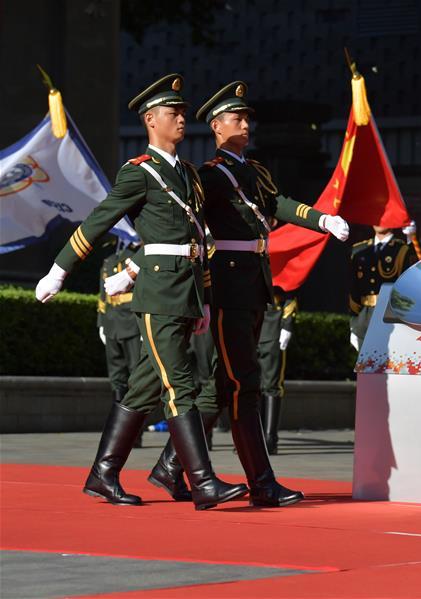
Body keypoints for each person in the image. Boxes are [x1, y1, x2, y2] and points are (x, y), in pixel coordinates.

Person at [35, 74, 248, 510]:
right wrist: (59, 269)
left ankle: (102, 474)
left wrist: (204, 297)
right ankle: (203, 483)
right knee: (180, 384)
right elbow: (97, 221)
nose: (183, 119)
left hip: (183, 290)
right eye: (174, 113)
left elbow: (196, 239)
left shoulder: (187, 173)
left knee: (143, 387)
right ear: (152, 121)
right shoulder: (138, 174)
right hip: (158, 295)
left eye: (184, 113)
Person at [144, 80, 350, 508]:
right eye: (237, 119)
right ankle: (262, 482)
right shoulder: (209, 175)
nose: (245, 124)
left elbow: (278, 203)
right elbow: (182, 224)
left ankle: (170, 466)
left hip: (253, 282)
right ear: (217, 127)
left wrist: (321, 220)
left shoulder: (254, 172)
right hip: (227, 283)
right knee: (244, 382)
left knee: (223, 386)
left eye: (247, 118)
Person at [97, 240, 144, 449]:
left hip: (133, 323)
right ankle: (118, 431)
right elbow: (102, 297)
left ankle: (135, 433)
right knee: (117, 379)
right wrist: (101, 322)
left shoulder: (139, 256)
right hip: (112, 325)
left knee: (136, 378)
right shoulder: (109, 260)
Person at [349, 225, 418, 350]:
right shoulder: (359, 249)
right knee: (364, 362)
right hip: (364, 313)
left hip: (389, 314)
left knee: (387, 360)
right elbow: (354, 286)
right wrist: (355, 317)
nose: (379, 222)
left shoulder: (402, 249)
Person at [256, 286, 298, 454]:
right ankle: (253, 438)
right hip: (251, 322)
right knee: (251, 385)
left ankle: (269, 438)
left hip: (273, 321)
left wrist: (287, 324)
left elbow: (291, 284)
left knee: (272, 384)